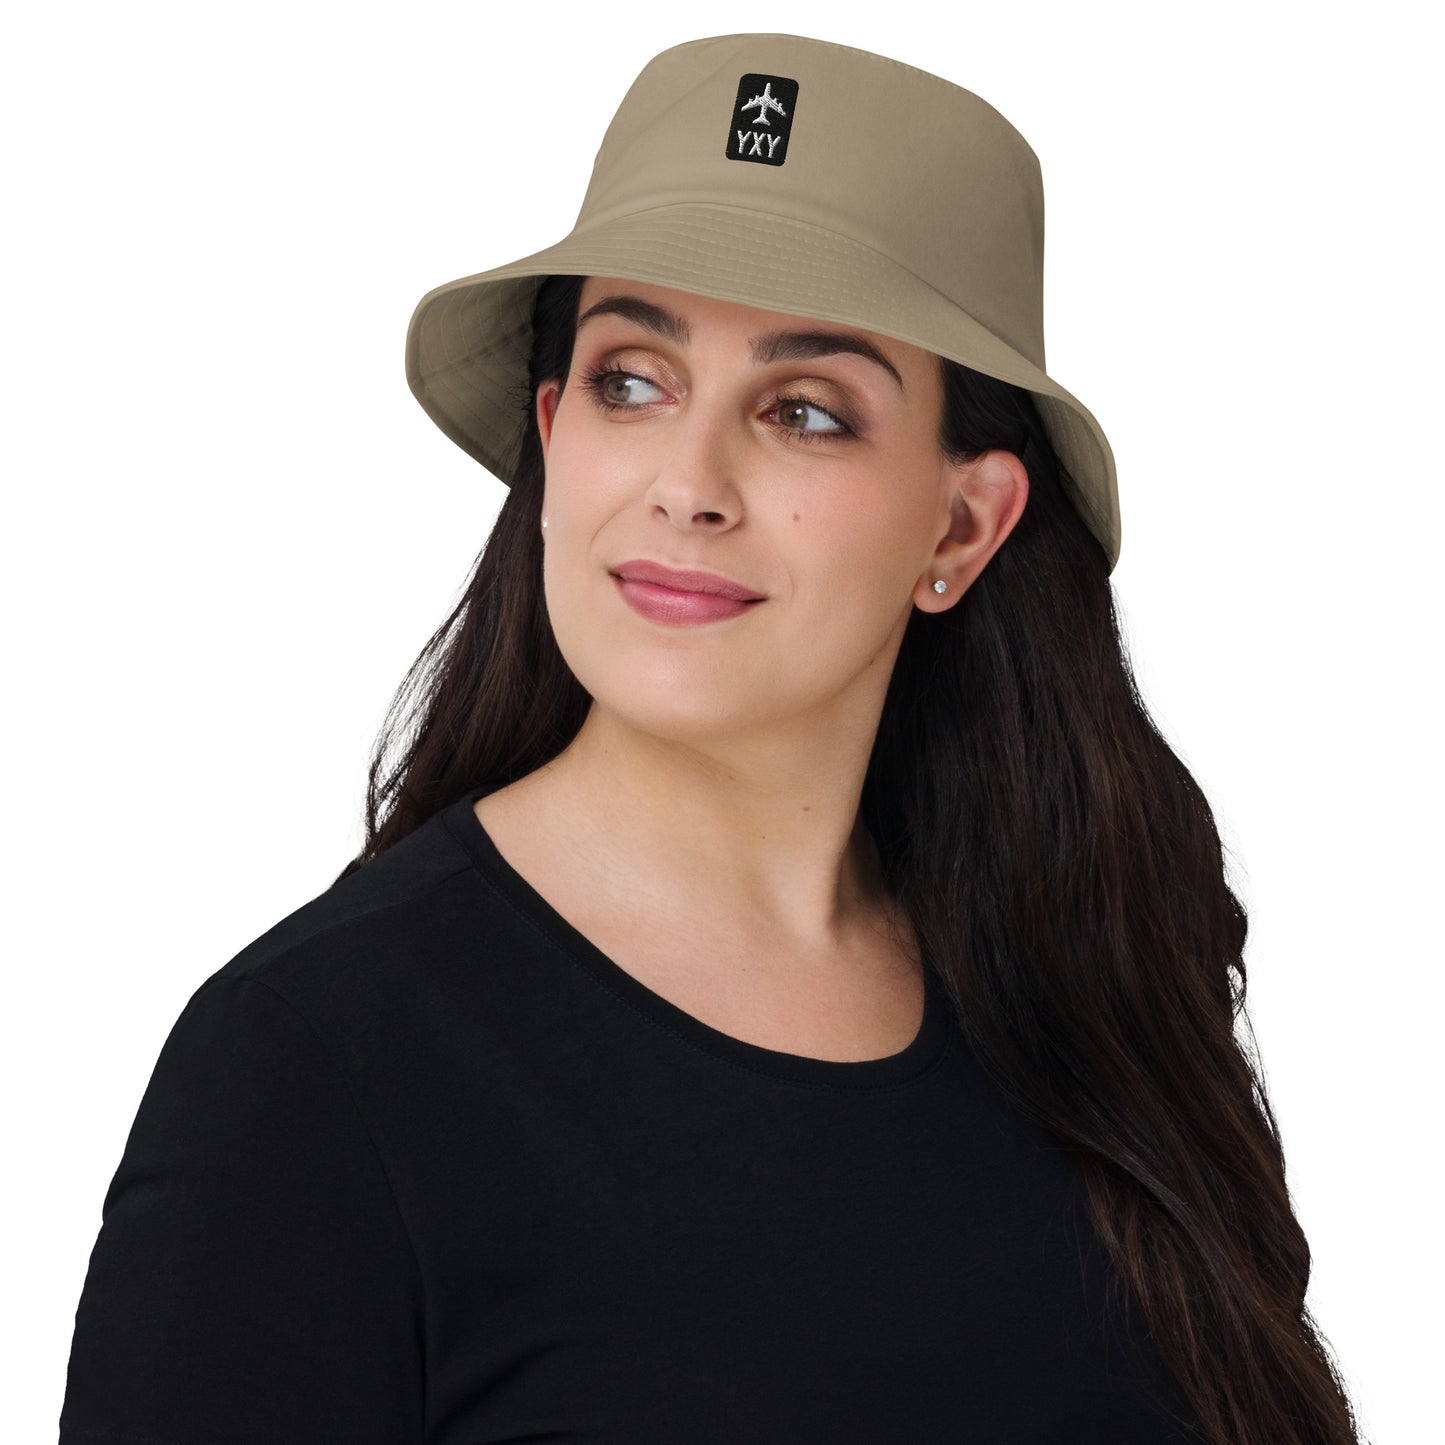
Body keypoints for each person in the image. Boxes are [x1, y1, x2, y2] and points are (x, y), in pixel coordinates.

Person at [57, 32, 1362, 1445]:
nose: (689, 483)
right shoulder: (309, 1070)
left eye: (804, 411)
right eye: (631, 380)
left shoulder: (1102, 1013)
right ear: (551, 434)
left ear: (963, 524)